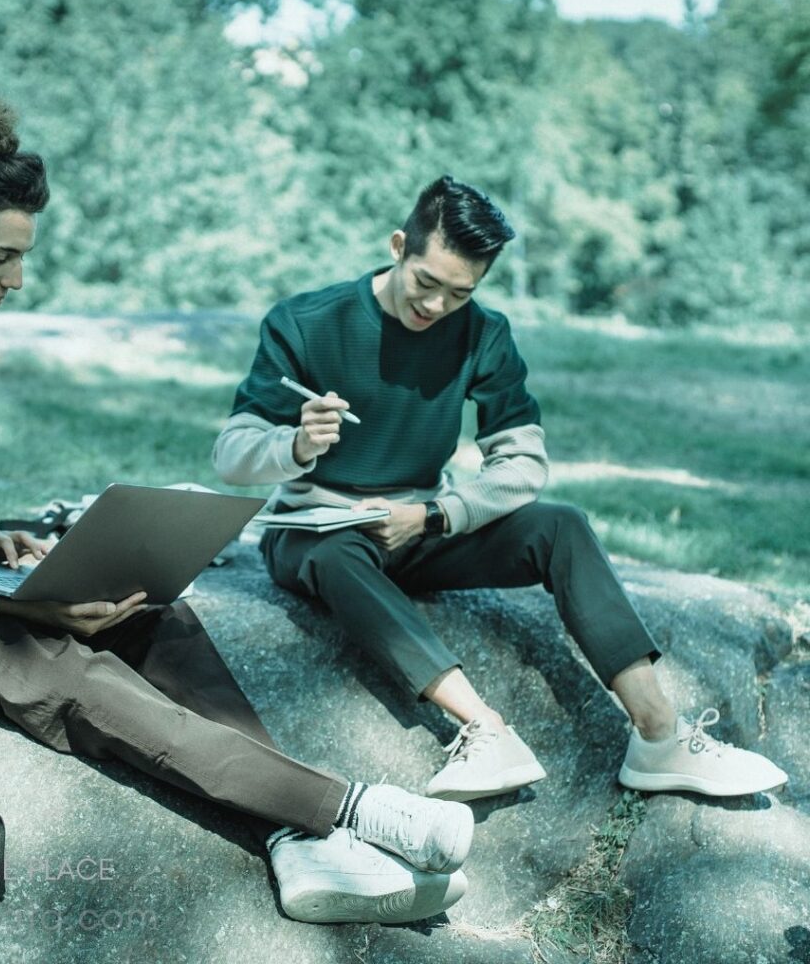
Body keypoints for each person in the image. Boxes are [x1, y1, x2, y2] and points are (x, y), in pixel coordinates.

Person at [0, 90, 476, 925]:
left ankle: (293, 841)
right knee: (58, 667)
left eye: (22, 257)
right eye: (0, 257)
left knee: (154, 614)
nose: (15, 280)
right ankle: (353, 812)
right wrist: (14, 602)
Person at [213, 175, 788, 802]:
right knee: (335, 553)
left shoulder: (483, 333)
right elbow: (231, 456)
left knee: (561, 524)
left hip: (421, 527)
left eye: (459, 294)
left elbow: (522, 466)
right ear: (400, 245)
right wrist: (293, 446)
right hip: (320, 534)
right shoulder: (306, 323)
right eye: (426, 283)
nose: (435, 307)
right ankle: (484, 729)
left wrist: (433, 515)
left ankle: (659, 736)